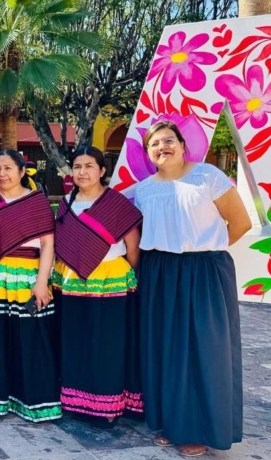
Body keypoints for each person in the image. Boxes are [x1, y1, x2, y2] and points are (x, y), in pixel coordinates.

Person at [135, 121, 251, 457]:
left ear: (183, 145)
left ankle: (200, 427)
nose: (162, 147)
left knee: (204, 348)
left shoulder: (208, 176)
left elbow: (240, 223)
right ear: (148, 153)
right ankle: (170, 423)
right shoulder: (144, 190)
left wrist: (205, 253)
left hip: (203, 270)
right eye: (154, 144)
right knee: (166, 347)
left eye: (169, 140)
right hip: (159, 270)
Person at [51, 146, 142, 426]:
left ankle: (107, 404)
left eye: (89, 166)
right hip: (70, 281)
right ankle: (77, 402)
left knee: (107, 343)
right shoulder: (66, 203)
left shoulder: (116, 203)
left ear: (102, 171)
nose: (82, 172)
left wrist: (123, 274)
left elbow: (133, 247)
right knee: (75, 339)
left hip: (110, 280)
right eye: (77, 166)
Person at [0, 149, 60, 422]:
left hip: (27, 276)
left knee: (29, 336)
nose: (2, 174)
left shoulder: (37, 202)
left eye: (8, 168)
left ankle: (30, 400)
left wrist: (42, 282)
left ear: (22, 171)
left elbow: (48, 244)